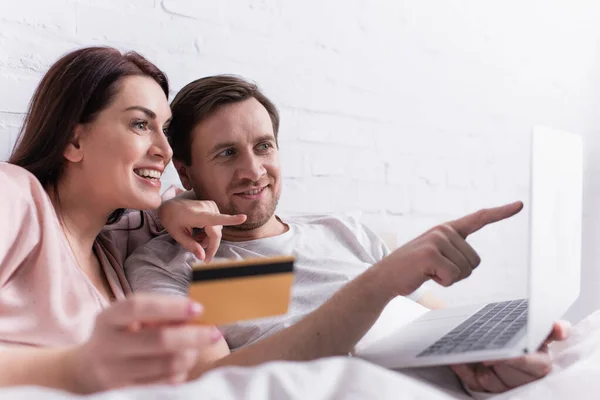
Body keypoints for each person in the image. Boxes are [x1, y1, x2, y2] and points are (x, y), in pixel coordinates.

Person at [125, 74, 570, 396]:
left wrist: (488, 349)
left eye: (264, 146)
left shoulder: (345, 231)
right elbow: (208, 380)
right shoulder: (169, 267)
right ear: (185, 171)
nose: (253, 170)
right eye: (227, 153)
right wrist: (378, 283)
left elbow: (436, 317)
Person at [0, 47, 247, 393]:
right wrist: (73, 369)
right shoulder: (13, 196)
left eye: (166, 129)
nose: (165, 149)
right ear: (73, 140)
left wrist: (169, 209)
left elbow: (190, 203)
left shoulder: (116, 246)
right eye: (141, 124)